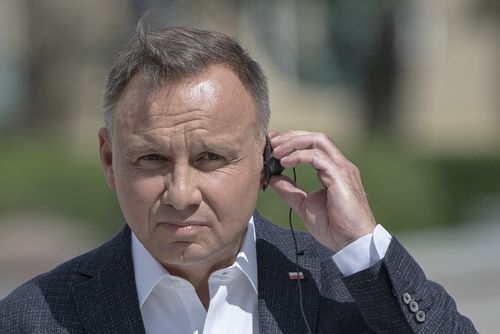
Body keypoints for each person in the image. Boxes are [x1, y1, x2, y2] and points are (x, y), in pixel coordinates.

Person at [0, 23, 477, 334]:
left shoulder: (345, 288)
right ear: (109, 160)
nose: (181, 194)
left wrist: (362, 244)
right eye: (150, 160)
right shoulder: (35, 316)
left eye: (210, 157)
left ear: (266, 157)